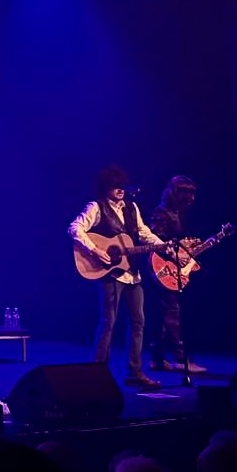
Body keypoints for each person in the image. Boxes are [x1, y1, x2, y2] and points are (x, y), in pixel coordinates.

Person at [68, 165, 165, 390]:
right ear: (106, 187)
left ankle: (135, 372)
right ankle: (97, 372)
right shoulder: (96, 207)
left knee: (139, 321)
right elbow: (75, 228)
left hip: (131, 272)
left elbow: (143, 232)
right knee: (108, 321)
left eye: (122, 185)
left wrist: (163, 245)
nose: (120, 189)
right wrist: (95, 249)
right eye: (115, 186)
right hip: (110, 273)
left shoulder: (132, 207)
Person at [146, 175, 207, 373]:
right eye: (186, 193)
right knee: (172, 311)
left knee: (163, 313)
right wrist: (175, 252)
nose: (190, 199)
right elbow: (157, 240)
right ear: (175, 193)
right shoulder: (162, 213)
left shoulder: (178, 214)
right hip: (161, 267)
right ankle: (181, 358)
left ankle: (156, 358)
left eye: (191, 194)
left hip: (169, 267)